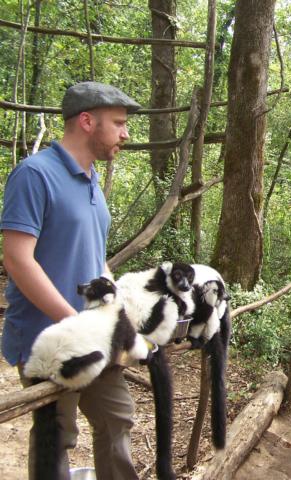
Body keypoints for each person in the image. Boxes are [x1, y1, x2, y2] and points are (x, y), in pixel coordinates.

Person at [1, 81, 141, 480]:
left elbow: (96, 260)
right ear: (86, 121)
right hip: (48, 342)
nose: (125, 133)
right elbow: (16, 258)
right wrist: (75, 323)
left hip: (95, 337)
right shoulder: (34, 175)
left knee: (117, 420)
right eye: (118, 123)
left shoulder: (93, 180)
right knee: (56, 437)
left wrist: (115, 315)